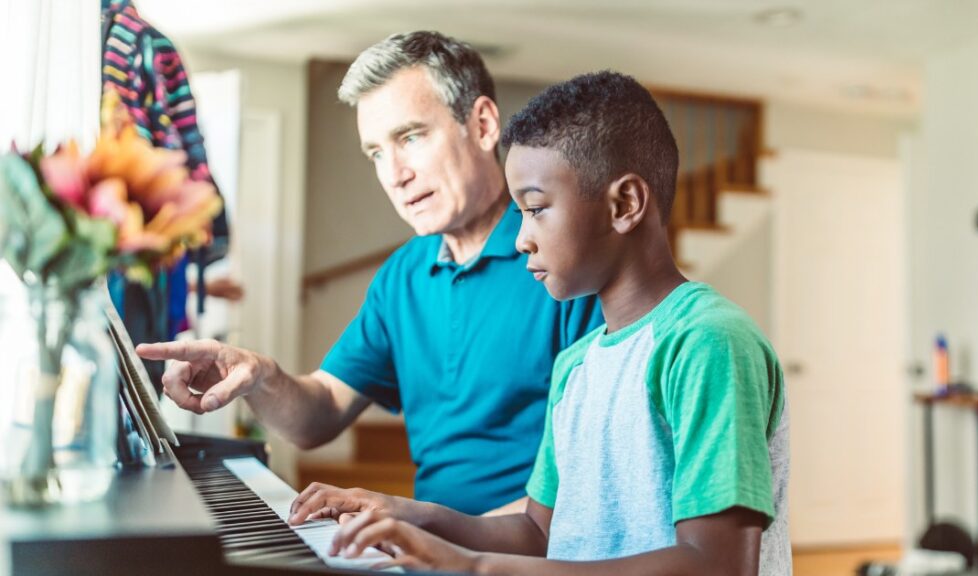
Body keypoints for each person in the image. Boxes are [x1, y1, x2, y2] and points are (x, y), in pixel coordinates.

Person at [287, 71, 791, 576]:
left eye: (534, 209)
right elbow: (538, 530)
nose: (521, 239)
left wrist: (476, 566)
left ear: (625, 205)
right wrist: (406, 513)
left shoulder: (707, 342)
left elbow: (716, 565)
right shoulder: (576, 365)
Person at [136, 31, 602, 515]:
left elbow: (593, 485)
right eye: (376, 152)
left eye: (411, 137)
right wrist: (258, 376)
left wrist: (420, 527)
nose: (394, 174)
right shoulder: (402, 276)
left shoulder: (564, 264)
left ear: (483, 125)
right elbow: (317, 416)